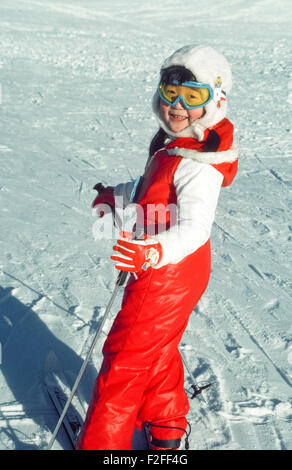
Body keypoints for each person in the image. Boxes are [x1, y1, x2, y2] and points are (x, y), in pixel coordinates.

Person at [76, 44, 238, 450]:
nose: (178, 105)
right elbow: (153, 189)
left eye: (193, 95)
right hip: (176, 270)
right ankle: (166, 426)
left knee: (124, 361)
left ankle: (102, 446)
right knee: (157, 348)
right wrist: (118, 195)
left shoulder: (198, 165)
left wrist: (153, 252)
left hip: (166, 272)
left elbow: (196, 226)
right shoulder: (177, 146)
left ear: (216, 100)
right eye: (170, 92)